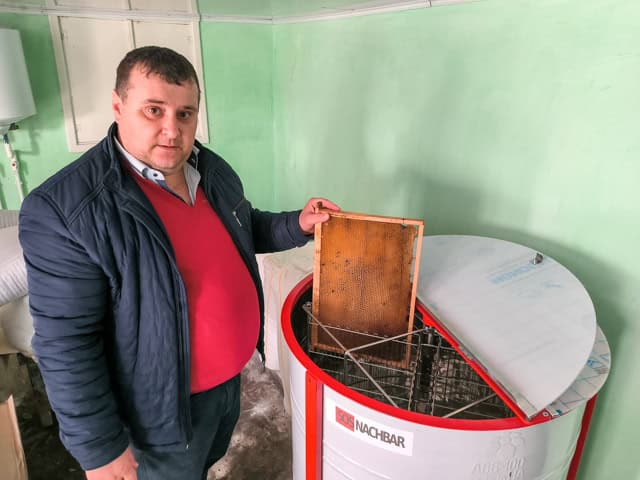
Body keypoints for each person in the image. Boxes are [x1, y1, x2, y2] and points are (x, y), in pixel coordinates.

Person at [19, 45, 338, 480]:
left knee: (203, 467)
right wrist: (100, 448)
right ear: (118, 106)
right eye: (154, 110)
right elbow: (66, 343)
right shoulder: (67, 210)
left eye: (185, 114)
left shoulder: (209, 169)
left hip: (229, 387)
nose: (172, 130)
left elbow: (244, 226)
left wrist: (297, 224)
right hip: (160, 417)